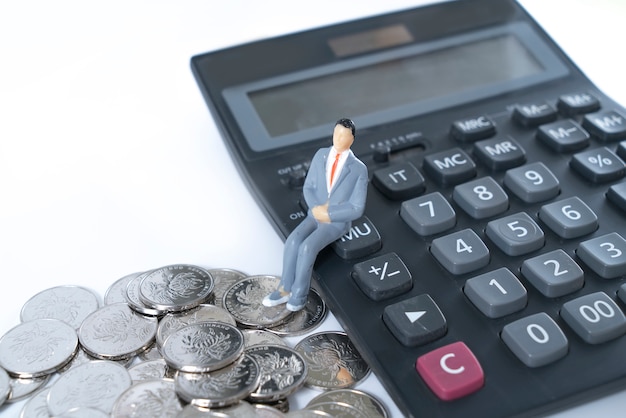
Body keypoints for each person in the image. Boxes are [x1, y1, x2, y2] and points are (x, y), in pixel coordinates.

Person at [263, 118, 368, 311]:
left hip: (336, 221)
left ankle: (300, 294)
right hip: (314, 214)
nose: (339, 138)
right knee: (293, 241)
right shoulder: (321, 155)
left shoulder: (358, 169)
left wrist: (328, 213)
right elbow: (309, 187)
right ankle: (285, 288)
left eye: (344, 135)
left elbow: (357, 208)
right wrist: (314, 209)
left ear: (352, 139)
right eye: (336, 133)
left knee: (307, 247)